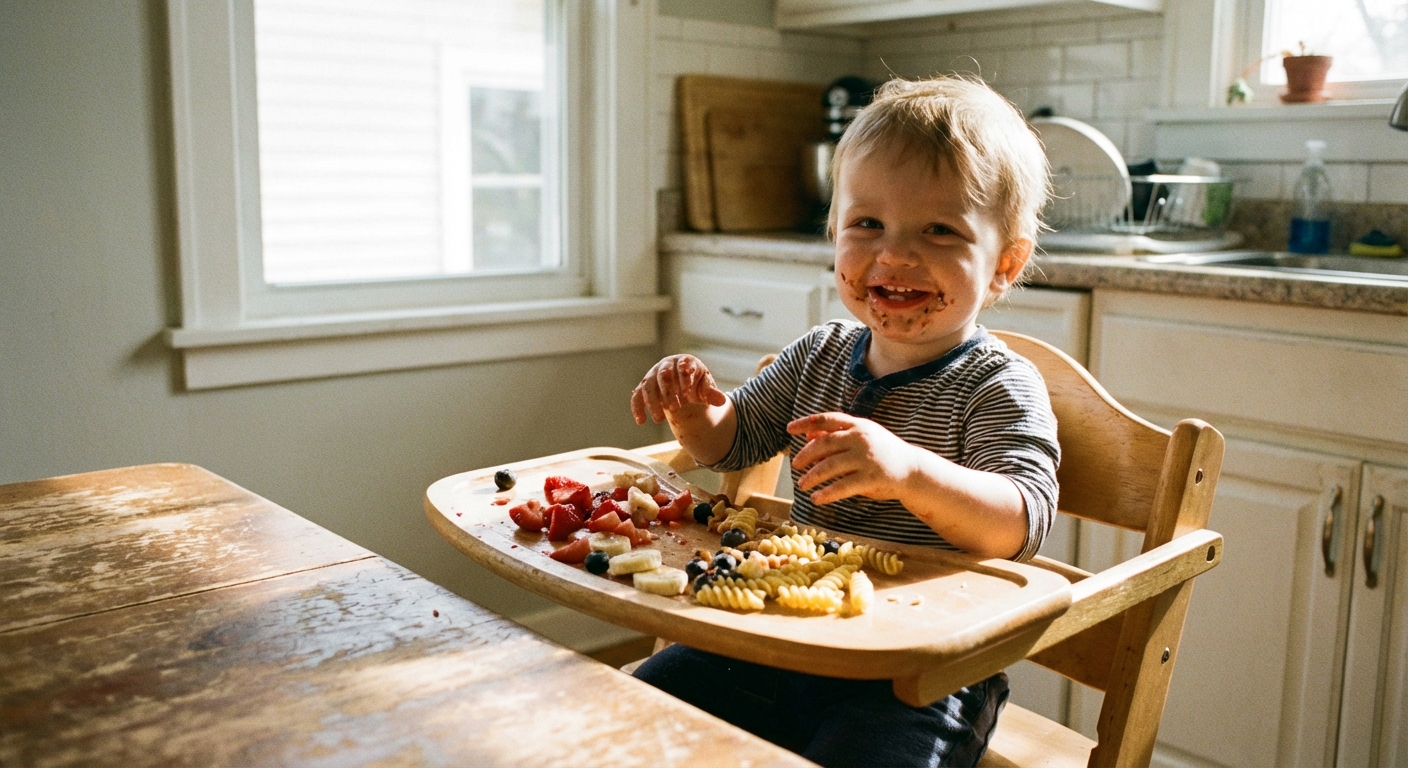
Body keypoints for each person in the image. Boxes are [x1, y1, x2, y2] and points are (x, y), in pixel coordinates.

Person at [628, 75, 1059, 768]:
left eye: (939, 231)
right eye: (867, 225)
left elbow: (1021, 522)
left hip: (917, 677)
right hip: (777, 637)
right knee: (626, 722)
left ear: (1005, 263)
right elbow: (731, 442)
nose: (894, 254)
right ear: (833, 233)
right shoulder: (817, 356)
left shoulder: (998, 386)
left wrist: (912, 473)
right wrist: (696, 412)